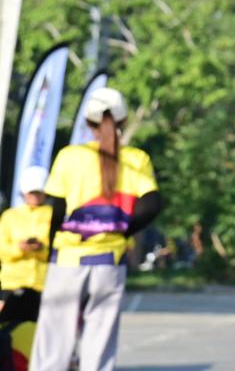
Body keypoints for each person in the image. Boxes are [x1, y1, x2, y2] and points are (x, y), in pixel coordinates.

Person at [32, 87, 162, 371]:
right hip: (109, 262)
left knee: (54, 341)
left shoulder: (70, 156)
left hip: (67, 260)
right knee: (100, 342)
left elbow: (56, 210)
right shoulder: (136, 159)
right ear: (123, 120)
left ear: (88, 122)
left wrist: (50, 247)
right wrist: (122, 231)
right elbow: (152, 204)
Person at [0, 165, 52, 363]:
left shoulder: (52, 215)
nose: (35, 197)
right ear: (23, 192)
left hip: (43, 284)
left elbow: (60, 248)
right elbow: (2, 249)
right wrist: (20, 248)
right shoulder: (10, 216)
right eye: (32, 193)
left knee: (43, 334)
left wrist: (41, 249)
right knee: (6, 331)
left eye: (38, 192)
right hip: (12, 285)